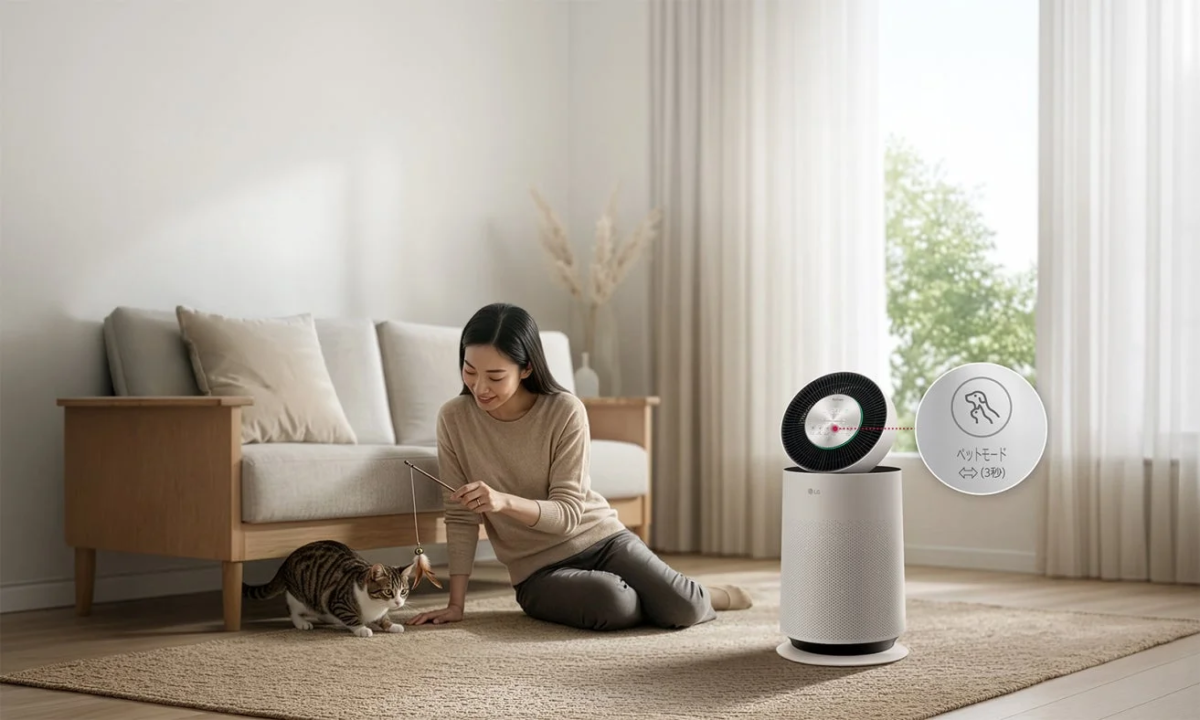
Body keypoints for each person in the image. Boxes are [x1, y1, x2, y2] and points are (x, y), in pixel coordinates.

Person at [406, 302, 752, 631]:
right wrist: (456, 605)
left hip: (602, 539)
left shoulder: (564, 410)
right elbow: (461, 516)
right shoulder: (454, 418)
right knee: (615, 604)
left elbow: (569, 515)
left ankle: (698, 595)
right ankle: (659, 593)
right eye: (469, 370)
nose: (480, 387)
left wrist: (503, 501)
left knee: (684, 609)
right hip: (537, 571)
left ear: (526, 368)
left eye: (495, 377)